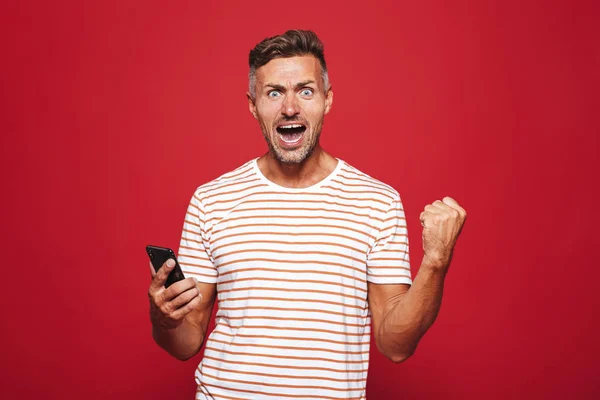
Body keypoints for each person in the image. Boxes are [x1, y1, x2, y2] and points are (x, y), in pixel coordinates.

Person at [148, 29, 467, 400]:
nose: (289, 108)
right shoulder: (212, 200)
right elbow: (185, 343)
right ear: (253, 105)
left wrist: (436, 261)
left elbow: (396, 344)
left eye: (305, 90)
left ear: (327, 100)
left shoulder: (377, 202)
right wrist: (163, 317)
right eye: (273, 93)